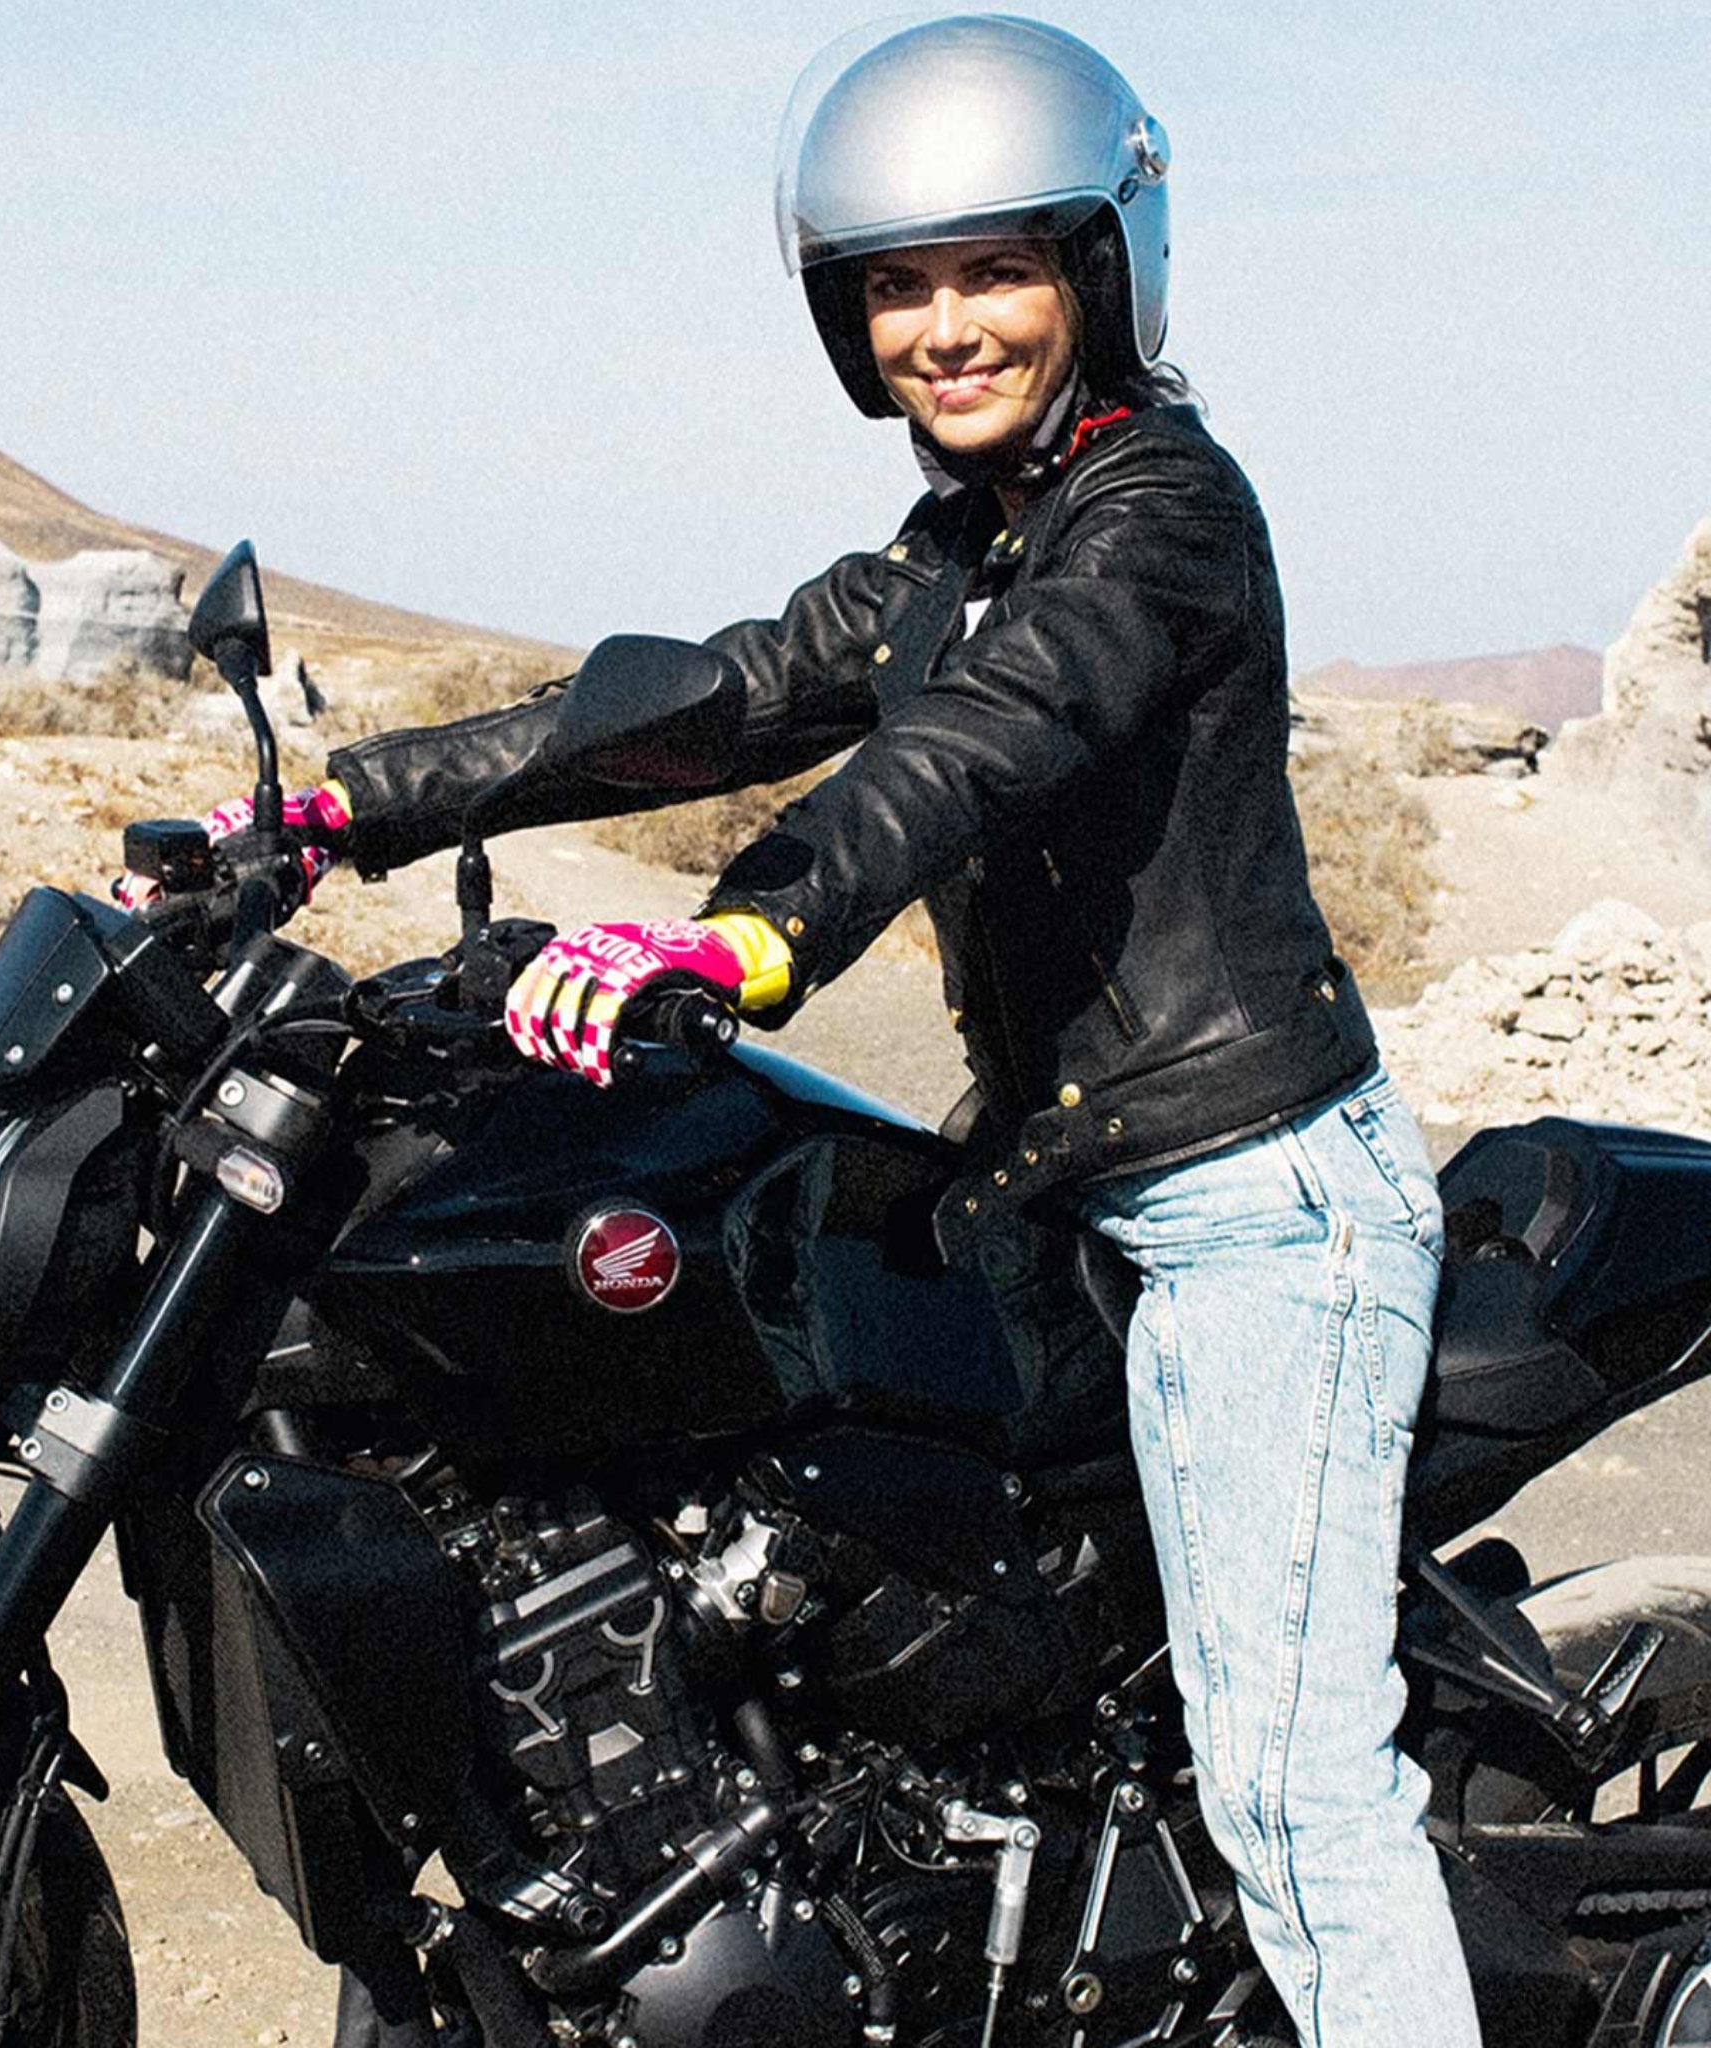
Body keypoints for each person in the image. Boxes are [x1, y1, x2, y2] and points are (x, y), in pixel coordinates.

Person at [130, 17, 1479, 2043]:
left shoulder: (1158, 518)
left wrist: (747, 938)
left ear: (1098, 271)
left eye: (991, 271)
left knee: (1291, 1786)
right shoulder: (957, 547)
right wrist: (351, 804)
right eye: (896, 287)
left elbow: (976, 748)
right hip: (1051, 1183)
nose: (944, 326)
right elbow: (706, 693)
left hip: (1250, 1209)